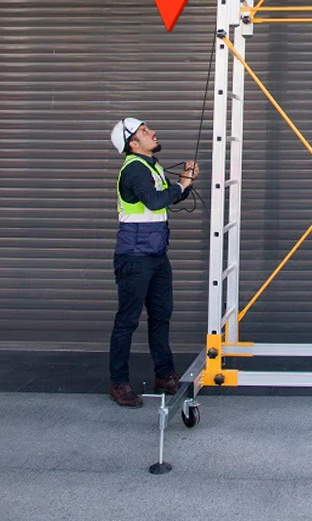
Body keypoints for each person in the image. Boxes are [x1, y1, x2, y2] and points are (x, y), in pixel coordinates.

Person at [108, 117, 199, 408]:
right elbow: (155, 201)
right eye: (145, 131)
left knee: (161, 316)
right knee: (127, 321)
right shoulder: (134, 169)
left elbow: (164, 197)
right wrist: (184, 182)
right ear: (132, 144)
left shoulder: (152, 166)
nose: (152, 132)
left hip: (156, 255)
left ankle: (164, 374)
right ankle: (119, 383)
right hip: (134, 257)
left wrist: (185, 182)